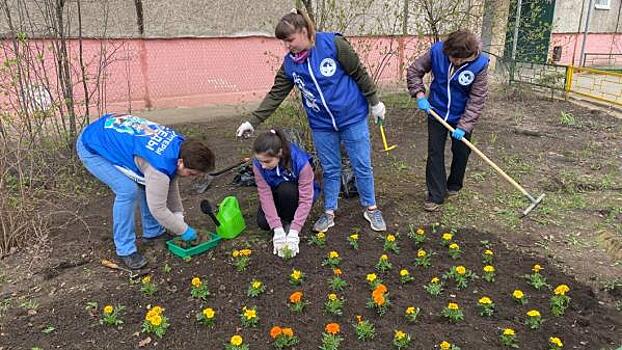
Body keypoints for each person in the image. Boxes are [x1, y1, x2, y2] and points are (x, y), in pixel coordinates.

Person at [236, 9, 387, 233]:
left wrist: (374, 102)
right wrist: (253, 121)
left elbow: (359, 73)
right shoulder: (290, 64)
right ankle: (329, 212)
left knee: (362, 165)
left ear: (304, 31)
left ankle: (371, 208)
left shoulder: (333, 44)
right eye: (284, 43)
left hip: (352, 117)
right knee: (330, 167)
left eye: (290, 40)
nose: (287, 47)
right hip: (321, 124)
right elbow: (276, 94)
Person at [76, 113, 215, 269]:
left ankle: (153, 232)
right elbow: (159, 209)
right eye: (191, 173)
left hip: (113, 135)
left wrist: (178, 215)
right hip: (92, 144)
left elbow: (170, 178)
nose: (191, 177)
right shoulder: (159, 168)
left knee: (148, 184)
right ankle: (125, 250)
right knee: (127, 190)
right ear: (181, 162)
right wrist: (184, 231)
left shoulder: (181, 147)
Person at [406, 29, 489, 212]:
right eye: (452, 57)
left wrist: (464, 126)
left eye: (459, 59)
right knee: (435, 152)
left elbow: (477, 100)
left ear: (470, 55)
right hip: (436, 110)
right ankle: (435, 195)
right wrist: (420, 94)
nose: (455, 61)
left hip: (462, 115)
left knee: (461, 151)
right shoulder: (437, 52)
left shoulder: (480, 65)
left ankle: (454, 185)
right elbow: (414, 71)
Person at [252, 129, 319, 257]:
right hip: (276, 192)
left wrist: (295, 231)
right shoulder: (258, 164)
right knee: (263, 223)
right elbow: (265, 195)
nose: (263, 166)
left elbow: (306, 199)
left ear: (280, 153)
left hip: (294, 195)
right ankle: (281, 227)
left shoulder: (301, 162)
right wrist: (276, 228)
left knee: (286, 190)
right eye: (260, 161)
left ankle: (289, 223)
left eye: (267, 162)